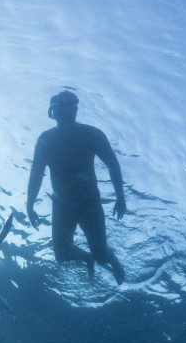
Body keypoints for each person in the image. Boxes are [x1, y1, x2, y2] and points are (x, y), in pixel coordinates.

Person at [26, 90, 127, 282]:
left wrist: (121, 197)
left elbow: (112, 163)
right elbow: (36, 174)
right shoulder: (46, 140)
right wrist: (29, 204)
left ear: (75, 110)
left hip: (89, 203)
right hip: (62, 204)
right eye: (61, 106)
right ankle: (88, 258)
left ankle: (108, 257)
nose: (66, 111)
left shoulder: (91, 135)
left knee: (101, 255)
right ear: (53, 112)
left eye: (70, 106)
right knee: (62, 255)